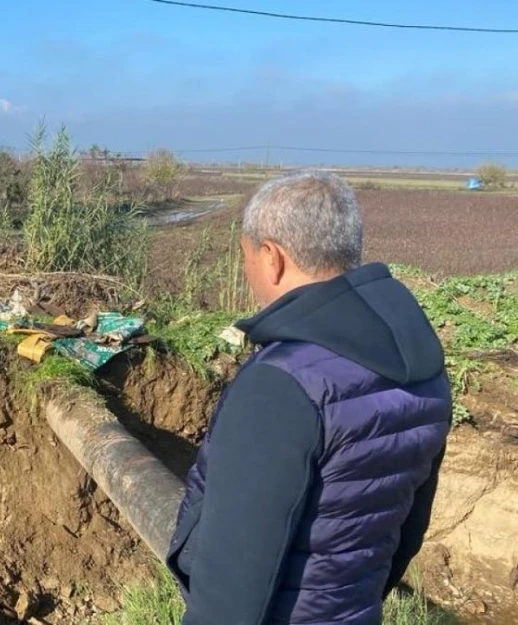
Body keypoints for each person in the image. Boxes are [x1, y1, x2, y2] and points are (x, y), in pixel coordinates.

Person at [166, 170, 451, 625]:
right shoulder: (422, 365)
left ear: (272, 257)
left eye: (247, 259)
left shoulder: (282, 383)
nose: (246, 274)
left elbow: (234, 578)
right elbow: (407, 528)